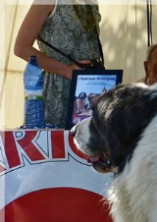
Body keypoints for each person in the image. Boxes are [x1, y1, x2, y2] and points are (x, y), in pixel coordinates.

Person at [14, 0, 103, 128]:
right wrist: (66, 70)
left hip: (90, 87)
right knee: (57, 144)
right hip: (59, 88)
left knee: (89, 143)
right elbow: (21, 48)